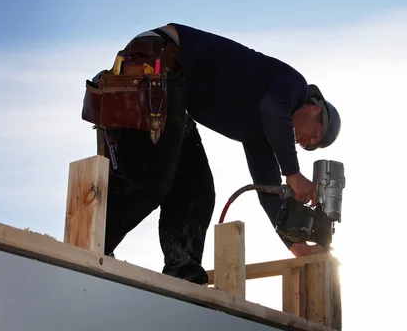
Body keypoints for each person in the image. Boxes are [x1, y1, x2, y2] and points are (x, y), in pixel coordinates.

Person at [90, 23, 341, 285]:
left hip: (175, 92)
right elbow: (273, 108)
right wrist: (293, 173)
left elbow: (269, 194)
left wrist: (298, 247)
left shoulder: (263, 135)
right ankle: (91, 245)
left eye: (309, 146)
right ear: (315, 110)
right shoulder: (294, 86)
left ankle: (182, 277)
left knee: (197, 191)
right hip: (160, 64)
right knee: (153, 176)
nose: (305, 142)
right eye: (313, 136)